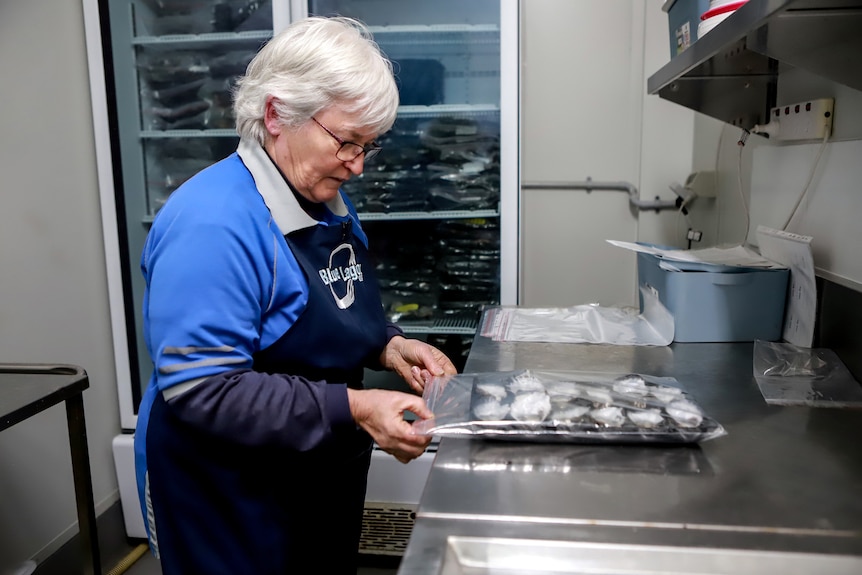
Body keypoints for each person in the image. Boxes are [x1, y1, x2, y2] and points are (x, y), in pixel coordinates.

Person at [133, 16, 458, 575]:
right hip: (228, 498)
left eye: (368, 146)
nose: (357, 165)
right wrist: (357, 407)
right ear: (276, 113)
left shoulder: (323, 196)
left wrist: (388, 345)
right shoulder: (214, 223)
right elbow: (203, 388)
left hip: (314, 475)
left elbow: (334, 309)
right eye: (346, 142)